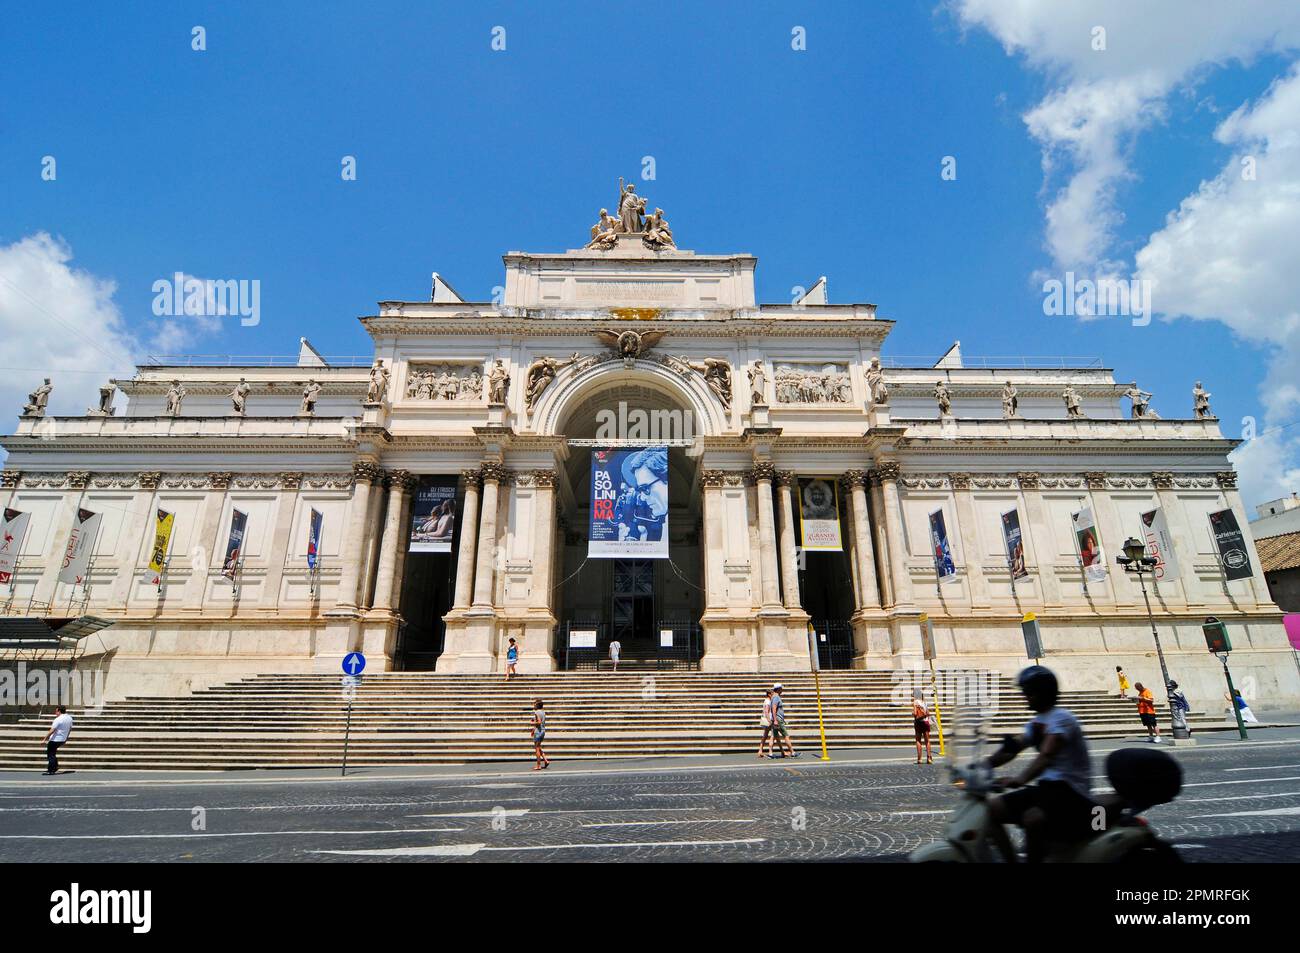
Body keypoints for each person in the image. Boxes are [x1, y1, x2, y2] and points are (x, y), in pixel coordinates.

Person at [986, 666, 1094, 863]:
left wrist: (1020, 779)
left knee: (1032, 818)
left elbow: (1046, 755)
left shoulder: (1062, 718)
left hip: (1071, 791)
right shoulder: (1036, 722)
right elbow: (1013, 748)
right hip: (1049, 790)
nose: (1025, 696)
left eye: (1028, 692)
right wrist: (983, 764)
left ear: (1042, 692)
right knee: (989, 810)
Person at [42, 705, 73, 776]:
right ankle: (55, 767)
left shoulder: (58, 719)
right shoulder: (69, 718)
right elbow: (70, 729)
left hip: (55, 739)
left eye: (56, 711)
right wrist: (66, 738)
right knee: (53, 753)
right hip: (62, 739)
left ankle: (51, 770)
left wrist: (44, 739)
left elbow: (52, 730)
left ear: (59, 711)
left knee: (50, 754)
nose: (55, 713)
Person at [769, 684, 798, 758]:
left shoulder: (773, 697)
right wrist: (776, 720)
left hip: (776, 719)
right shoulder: (776, 697)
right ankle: (792, 752)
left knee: (774, 736)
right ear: (778, 689)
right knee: (786, 735)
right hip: (778, 719)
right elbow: (774, 708)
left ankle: (771, 753)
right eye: (781, 688)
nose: (782, 690)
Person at [913, 690, 933, 764]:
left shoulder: (915, 702)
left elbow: (915, 714)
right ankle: (929, 758)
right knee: (927, 741)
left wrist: (913, 713)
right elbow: (928, 713)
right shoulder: (925, 702)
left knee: (918, 740)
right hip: (925, 722)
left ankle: (919, 759)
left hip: (918, 722)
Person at [531, 699, 550, 770]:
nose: (534, 706)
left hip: (538, 732)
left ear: (537, 705)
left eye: (534, 704)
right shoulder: (543, 712)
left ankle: (538, 765)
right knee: (538, 747)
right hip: (542, 731)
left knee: (537, 749)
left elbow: (539, 722)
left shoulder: (536, 712)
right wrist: (533, 729)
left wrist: (532, 723)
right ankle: (546, 760)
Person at [757, 689, 775, 759]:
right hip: (769, 720)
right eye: (772, 694)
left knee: (765, 736)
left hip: (767, 720)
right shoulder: (768, 701)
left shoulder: (766, 700)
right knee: (772, 735)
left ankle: (760, 750)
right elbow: (766, 711)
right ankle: (770, 751)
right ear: (769, 694)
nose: (773, 695)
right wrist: (769, 720)